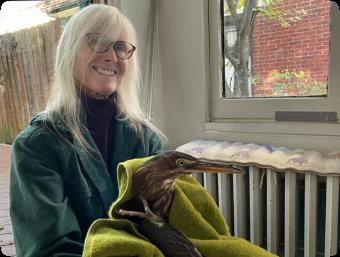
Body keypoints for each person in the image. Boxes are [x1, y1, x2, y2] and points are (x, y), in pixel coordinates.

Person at [9, 4, 165, 257]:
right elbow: (49, 248)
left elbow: (165, 227)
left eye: (120, 47)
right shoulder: (36, 146)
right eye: (98, 42)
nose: (112, 57)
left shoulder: (148, 140)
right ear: (70, 50)